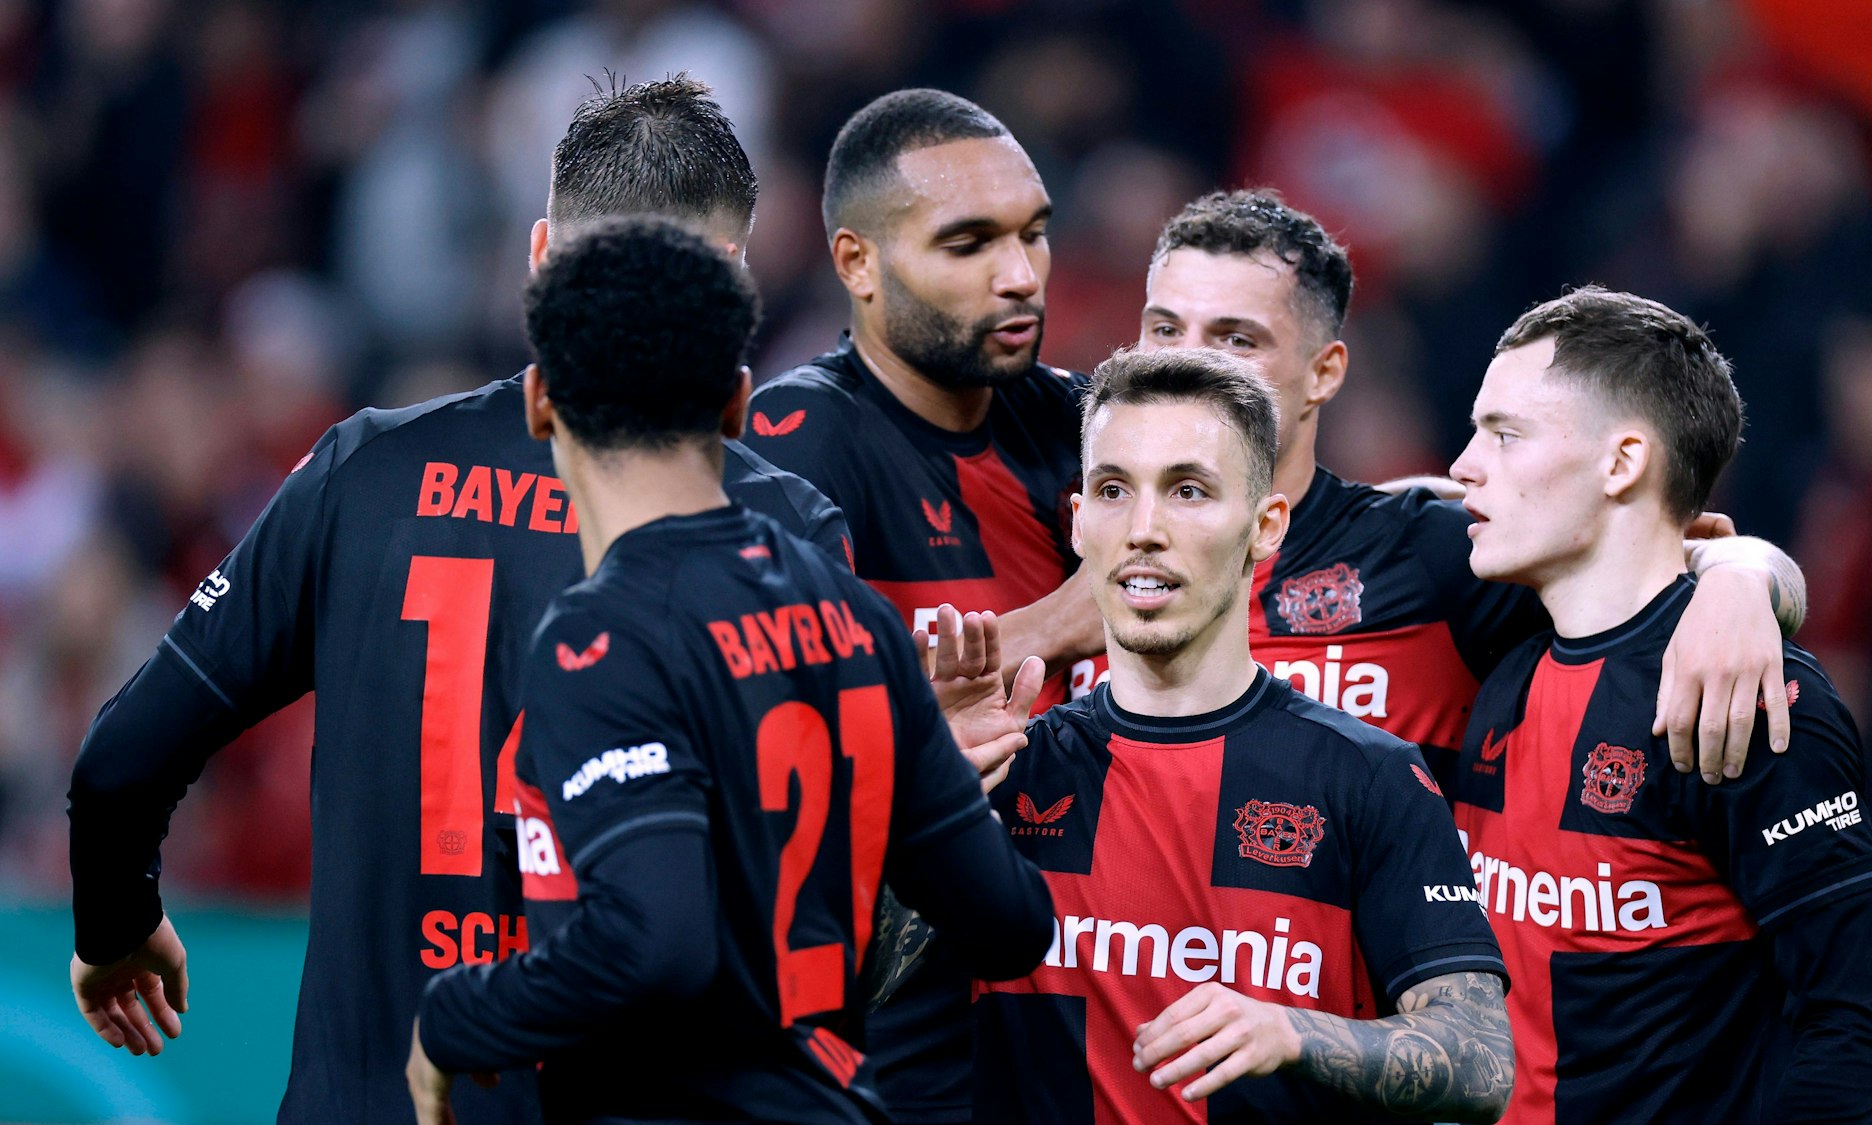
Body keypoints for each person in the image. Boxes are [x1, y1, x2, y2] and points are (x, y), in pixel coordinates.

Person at [66, 76, 846, 1124]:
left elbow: (119, 766)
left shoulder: (366, 472)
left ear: (539, 259)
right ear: (732, 287)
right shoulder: (788, 527)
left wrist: (116, 925)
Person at [405, 215, 1053, 1125]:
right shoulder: (857, 617)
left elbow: (654, 938)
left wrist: (456, 1016)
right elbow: (1010, 921)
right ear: (739, 401)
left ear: (541, 401)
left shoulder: (601, 638)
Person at [967, 347, 1515, 1123]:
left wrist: (1294, 1030)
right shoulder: (1006, 768)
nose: (1144, 529)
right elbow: (858, 996)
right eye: (1114, 489)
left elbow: (1480, 1057)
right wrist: (933, 806)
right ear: (1080, 522)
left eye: (1188, 490)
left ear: (1266, 526)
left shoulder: (1368, 775)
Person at [1127, 189, 1810, 790]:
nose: (1186, 363)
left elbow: (1689, 554)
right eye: (1164, 329)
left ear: (1325, 373)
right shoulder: (1081, 540)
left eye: (1235, 338)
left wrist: (1740, 585)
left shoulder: (1425, 552)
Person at [1449, 287, 1872, 1122]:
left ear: (1622, 463)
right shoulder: (1500, 665)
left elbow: (1853, 1030)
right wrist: (1744, 570)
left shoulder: (1751, 698)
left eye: (1506, 435)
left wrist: (1745, 579)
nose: (1464, 465)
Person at [739, 87, 1099, 1123]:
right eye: (968, 244)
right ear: (856, 263)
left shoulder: (1069, 418)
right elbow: (774, 715)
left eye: (1034, 233)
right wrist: (1062, 620)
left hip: (1089, 999)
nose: (1020, 275)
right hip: (892, 1040)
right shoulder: (797, 439)